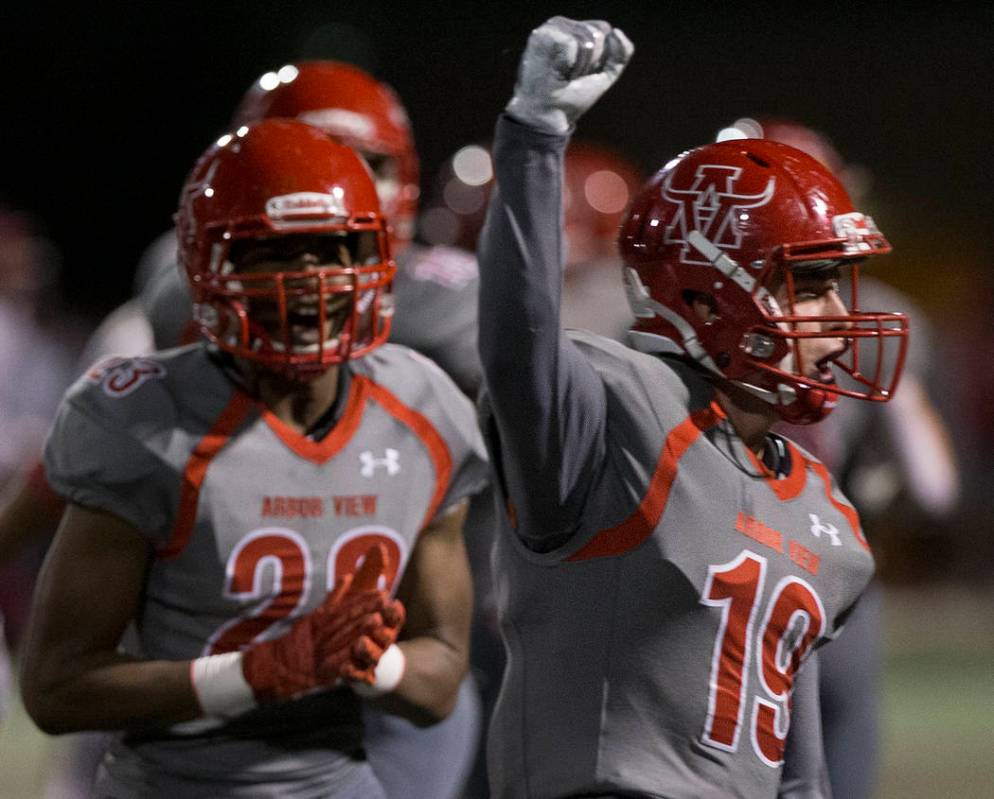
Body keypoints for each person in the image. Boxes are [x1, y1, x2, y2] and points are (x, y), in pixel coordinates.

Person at [476, 16, 910, 798]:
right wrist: (535, 138)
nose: (835, 316)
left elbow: (798, 769)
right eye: (808, 284)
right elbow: (518, 348)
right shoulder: (619, 412)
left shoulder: (823, 506)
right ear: (712, 292)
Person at [20, 119, 488, 798]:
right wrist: (257, 672)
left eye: (331, 249)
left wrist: (369, 663)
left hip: (340, 777)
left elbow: (440, 676)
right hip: (177, 781)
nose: (307, 281)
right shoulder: (143, 421)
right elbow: (56, 687)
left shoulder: (424, 409)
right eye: (271, 253)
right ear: (207, 266)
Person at [719, 116, 961, 799]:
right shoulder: (875, 313)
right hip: (793, 578)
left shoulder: (672, 311)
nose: (830, 314)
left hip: (760, 574)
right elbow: (934, 488)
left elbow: (935, 490)